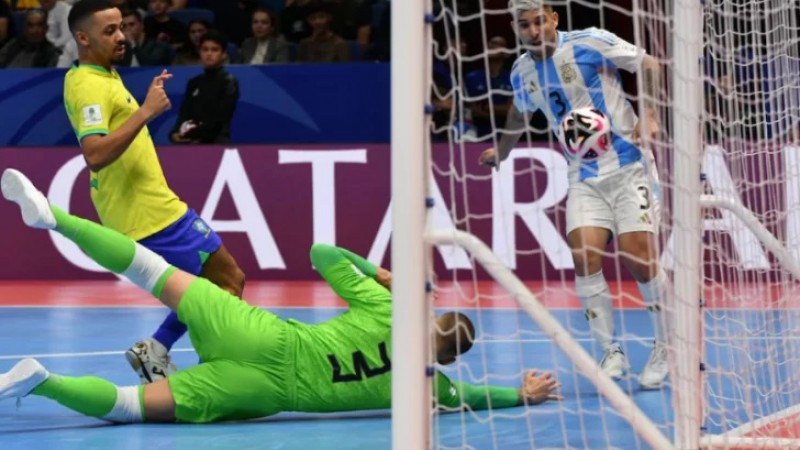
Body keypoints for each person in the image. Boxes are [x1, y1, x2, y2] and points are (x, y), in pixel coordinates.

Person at [0, 168, 562, 423]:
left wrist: (380, 273)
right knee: (129, 408)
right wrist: (524, 392)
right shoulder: (430, 389)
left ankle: (53, 217)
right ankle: (44, 382)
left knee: (152, 270)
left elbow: (320, 253)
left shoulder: (391, 307)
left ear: (428, 318)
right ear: (445, 357)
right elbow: (483, 395)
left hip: (265, 336)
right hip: (263, 390)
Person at [478, 0, 669, 389]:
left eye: (540, 21)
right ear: (515, 28)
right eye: (525, 25)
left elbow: (647, 64)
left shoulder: (589, 42)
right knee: (584, 255)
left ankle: (667, 344)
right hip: (583, 175)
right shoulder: (522, 71)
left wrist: (649, 115)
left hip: (630, 164)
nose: (534, 30)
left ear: (554, 18)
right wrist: (502, 150)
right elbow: (520, 114)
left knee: (639, 259)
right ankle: (610, 351)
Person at [62, 0, 244, 384]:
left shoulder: (103, 76)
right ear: (82, 38)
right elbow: (94, 154)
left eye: (121, 27)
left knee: (217, 284)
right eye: (108, 30)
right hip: (147, 215)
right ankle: (221, 368)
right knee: (226, 282)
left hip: (153, 207)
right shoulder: (88, 86)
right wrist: (146, 112)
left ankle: (160, 349)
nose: (121, 36)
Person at [169, 30, 240, 144]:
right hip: (190, 141)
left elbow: (219, 119)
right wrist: (174, 133)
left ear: (224, 54)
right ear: (199, 52)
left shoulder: (229, 82)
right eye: (205, 49)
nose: (209, 54)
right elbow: (184, 113)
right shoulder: (194, 83)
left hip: (217, 142)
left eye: (214, 50)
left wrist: (191, 134)